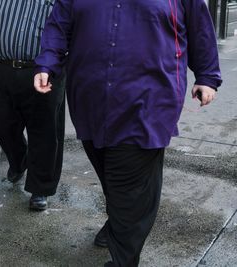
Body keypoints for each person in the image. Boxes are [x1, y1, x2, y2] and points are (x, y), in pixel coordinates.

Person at [34, 0, 221, 266]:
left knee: (130, 187)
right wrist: (47, 64)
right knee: (110, 174)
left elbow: (200, 27)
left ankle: (124, 258)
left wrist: (207, 76)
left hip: (149, 103)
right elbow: (58, 26)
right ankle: (118, 223)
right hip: (91, 101)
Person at [0, 0, 65, 211]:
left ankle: (40, 188)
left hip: (44, 70)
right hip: (3, 67)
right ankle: (19, 160)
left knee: (44, 131)